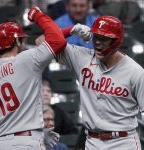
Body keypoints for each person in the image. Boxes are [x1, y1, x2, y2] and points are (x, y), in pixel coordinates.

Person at [36, 12, 144, 149]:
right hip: (92, 141)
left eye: (104, 38)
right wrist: (71, 30)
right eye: (96, 36)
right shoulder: (82, 57)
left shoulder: (135, 72)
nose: (98, 42)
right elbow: (41, 42)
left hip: (123, 142)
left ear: (117, 41)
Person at [0, 7, 67, 150]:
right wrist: (38, 16)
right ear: (17, 42)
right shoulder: (26, 59)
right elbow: (57, 39)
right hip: (27, 142)